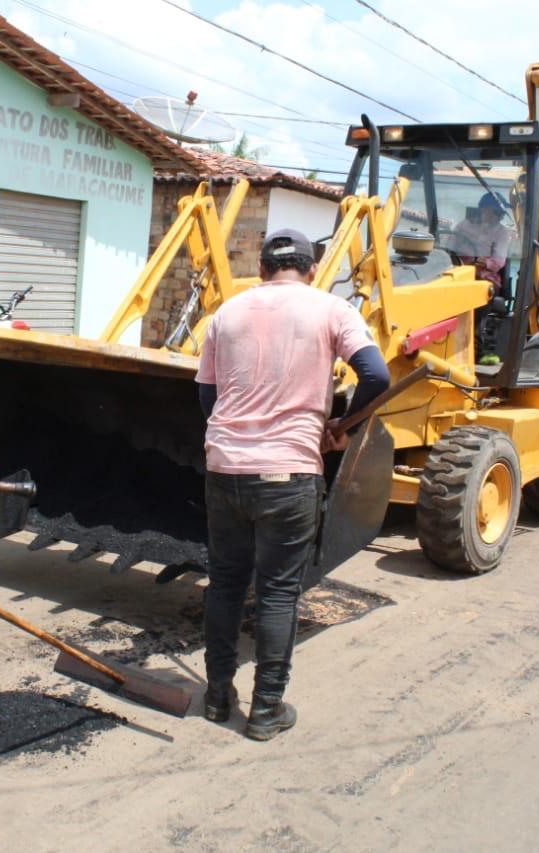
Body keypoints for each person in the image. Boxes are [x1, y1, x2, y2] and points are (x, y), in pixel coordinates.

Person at [196, 229, 390, 741]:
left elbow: (206, 398)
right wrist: (341, 428)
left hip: (224, 469)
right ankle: (265, 711)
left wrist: (237, 437)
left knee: (226, 583)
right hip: (290, 473)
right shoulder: (331, 309)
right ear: (309, 269)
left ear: (261, 269)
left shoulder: (226, 314)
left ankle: (217, 696)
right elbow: (377, 374)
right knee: (279, 593)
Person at [449, 191, 515, 289]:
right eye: (498, 212)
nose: (501, 216)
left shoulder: (502, 232)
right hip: (458, 272)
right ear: (484, 210)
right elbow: (450, 247)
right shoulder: (463, 225)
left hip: (485, 277)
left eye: (502, 213)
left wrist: (485, 262)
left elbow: (499, 261)